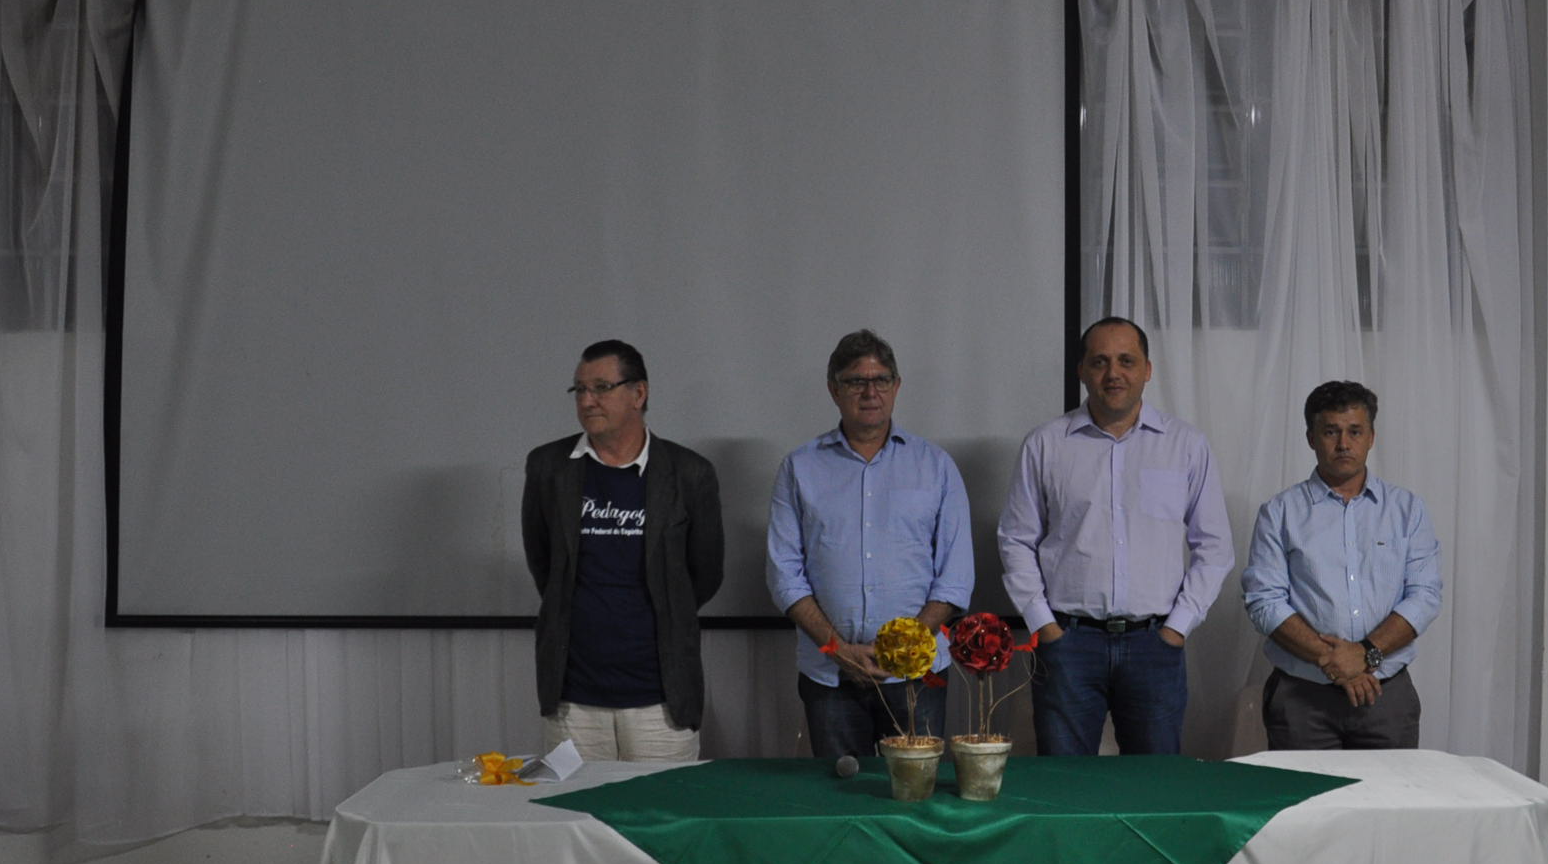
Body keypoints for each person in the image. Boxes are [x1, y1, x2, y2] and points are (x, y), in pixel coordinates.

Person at [997, 317, 1231, 755]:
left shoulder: (1186, 445)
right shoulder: (1045, 445)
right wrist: (1044, 625)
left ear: (1147, 369)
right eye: (1100, 361)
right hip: (1068, 645)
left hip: (1154, 645)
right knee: (1066, 782)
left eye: (1127, 361)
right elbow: (1016, 540)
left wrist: (1177, 628)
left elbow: (1215, 547)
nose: (1113, 374)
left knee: (1154, 783)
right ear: (1082, 371)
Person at [767, 330, 973, 759]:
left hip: (917, 676)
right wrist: (836, 648)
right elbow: (784, 574)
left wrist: (903, 650)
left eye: (881, 380)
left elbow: (955, 578)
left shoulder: (936, 466)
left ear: (896, 386)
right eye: (855, 381)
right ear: (833, 389)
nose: (870, 392)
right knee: (838, 791)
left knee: (915, 791)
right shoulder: (800, 468)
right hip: (830, 675)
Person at [521, 339, 723, 762]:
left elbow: (704, 574)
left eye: (601, 388)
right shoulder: (548, 467)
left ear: (639, 393)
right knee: (576, 806)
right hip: (573, 700)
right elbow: (544, 564)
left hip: (661, 699)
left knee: (661, 806)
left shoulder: (689, 473)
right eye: (579, 389)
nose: (587, 401)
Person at [1242, 380, 1442, 750]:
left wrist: (1365, 654)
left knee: (1390, 790)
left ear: (1372, 437)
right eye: (1331, 431)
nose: (1344, 444)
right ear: (1311, 438)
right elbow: (1263, 601)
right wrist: (1334, 660)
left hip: (1386, 696)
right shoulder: (1280, 513)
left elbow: (1425, 596)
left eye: (1355, 431)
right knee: (1304, 791)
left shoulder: (1407, 510)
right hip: (1301, 698)